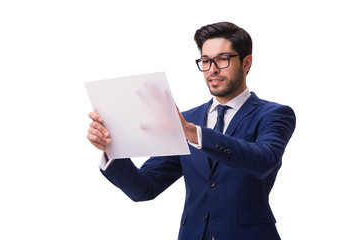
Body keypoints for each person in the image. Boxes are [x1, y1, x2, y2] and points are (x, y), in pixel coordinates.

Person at [87, 22, 296, 240]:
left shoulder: (274, 114)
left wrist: (192, 133)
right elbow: (144, 188)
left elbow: (263, 161)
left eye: (222, 59)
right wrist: (112, 148)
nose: (212, 69)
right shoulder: (187, 120)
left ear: (247, 62)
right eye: (205, 61)